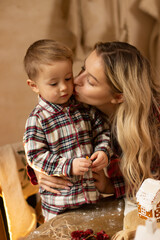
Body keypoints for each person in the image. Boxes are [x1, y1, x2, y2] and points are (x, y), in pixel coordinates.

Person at [30, 41, 160, 201]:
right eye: (83, 69)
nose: (76, 80)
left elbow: (154, 186)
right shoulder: (72, 105)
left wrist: (111, 186)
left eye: (90, 82)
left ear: (119, 96)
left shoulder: (153, 126)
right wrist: (37, 168)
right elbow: (36, 139)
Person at [23, 39, 113, 221]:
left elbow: (103, 133)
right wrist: (68, 166)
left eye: (67, 78)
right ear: (34, 86)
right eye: (53, 84)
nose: (64, 88)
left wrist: (103, 151)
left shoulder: (85, 108)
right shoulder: (37, 119)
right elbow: (35, 156)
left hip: (92, 199)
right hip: (60, 206)